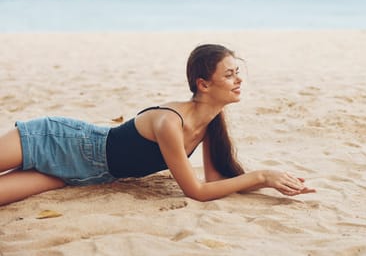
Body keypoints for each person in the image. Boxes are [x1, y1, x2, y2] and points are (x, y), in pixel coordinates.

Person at [0, 44, 315, 206]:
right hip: (56, 139)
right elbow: (197, 191)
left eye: (238, 72)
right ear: (203, 84)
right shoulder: (170, 122)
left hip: (80, 175)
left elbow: (216, 179)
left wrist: (272, 182)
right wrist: (261, 174)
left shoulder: (210, 123)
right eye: (230, 74)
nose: (239, 79)